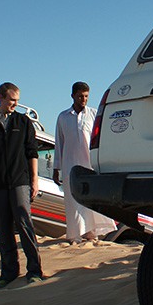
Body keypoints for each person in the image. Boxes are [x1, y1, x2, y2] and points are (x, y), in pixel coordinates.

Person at [0, 82, 44, 287]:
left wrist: (34, 181)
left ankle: (34, 270)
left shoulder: (23, 122)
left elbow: (32, 153)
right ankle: (9, 273)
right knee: (3, 229)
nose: (15, 104)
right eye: (12, 100)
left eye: (17, 101)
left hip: (19, 182)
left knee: (25, 225)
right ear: (1, 98)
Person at [54, 81, 116, 242]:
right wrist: (56, 168)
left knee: (91, 200)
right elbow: (59, 143)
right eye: (80, 96)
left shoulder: (94, 114)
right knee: (72, 201)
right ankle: (75, 236)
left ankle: (91, 233)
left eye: (86, 96)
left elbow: (100, 140)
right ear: (73, 96)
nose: (83, 99)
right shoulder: (63, 117)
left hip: (90, 165)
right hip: (70, 165)